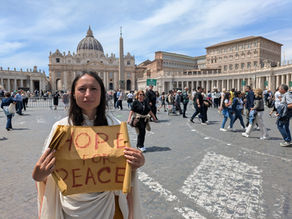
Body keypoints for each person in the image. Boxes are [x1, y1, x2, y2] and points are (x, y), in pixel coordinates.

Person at [32, 71, 144, 218]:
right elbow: (50, 172)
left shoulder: (116, 126)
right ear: (73, 94)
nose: (87, 94)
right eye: (82, 89)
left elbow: (125, 170)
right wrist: (39, 176)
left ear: (102, 93)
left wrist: (136, 163)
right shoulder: (60, 128)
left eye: (93, 89)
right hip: (70, 208)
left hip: (108, 205)